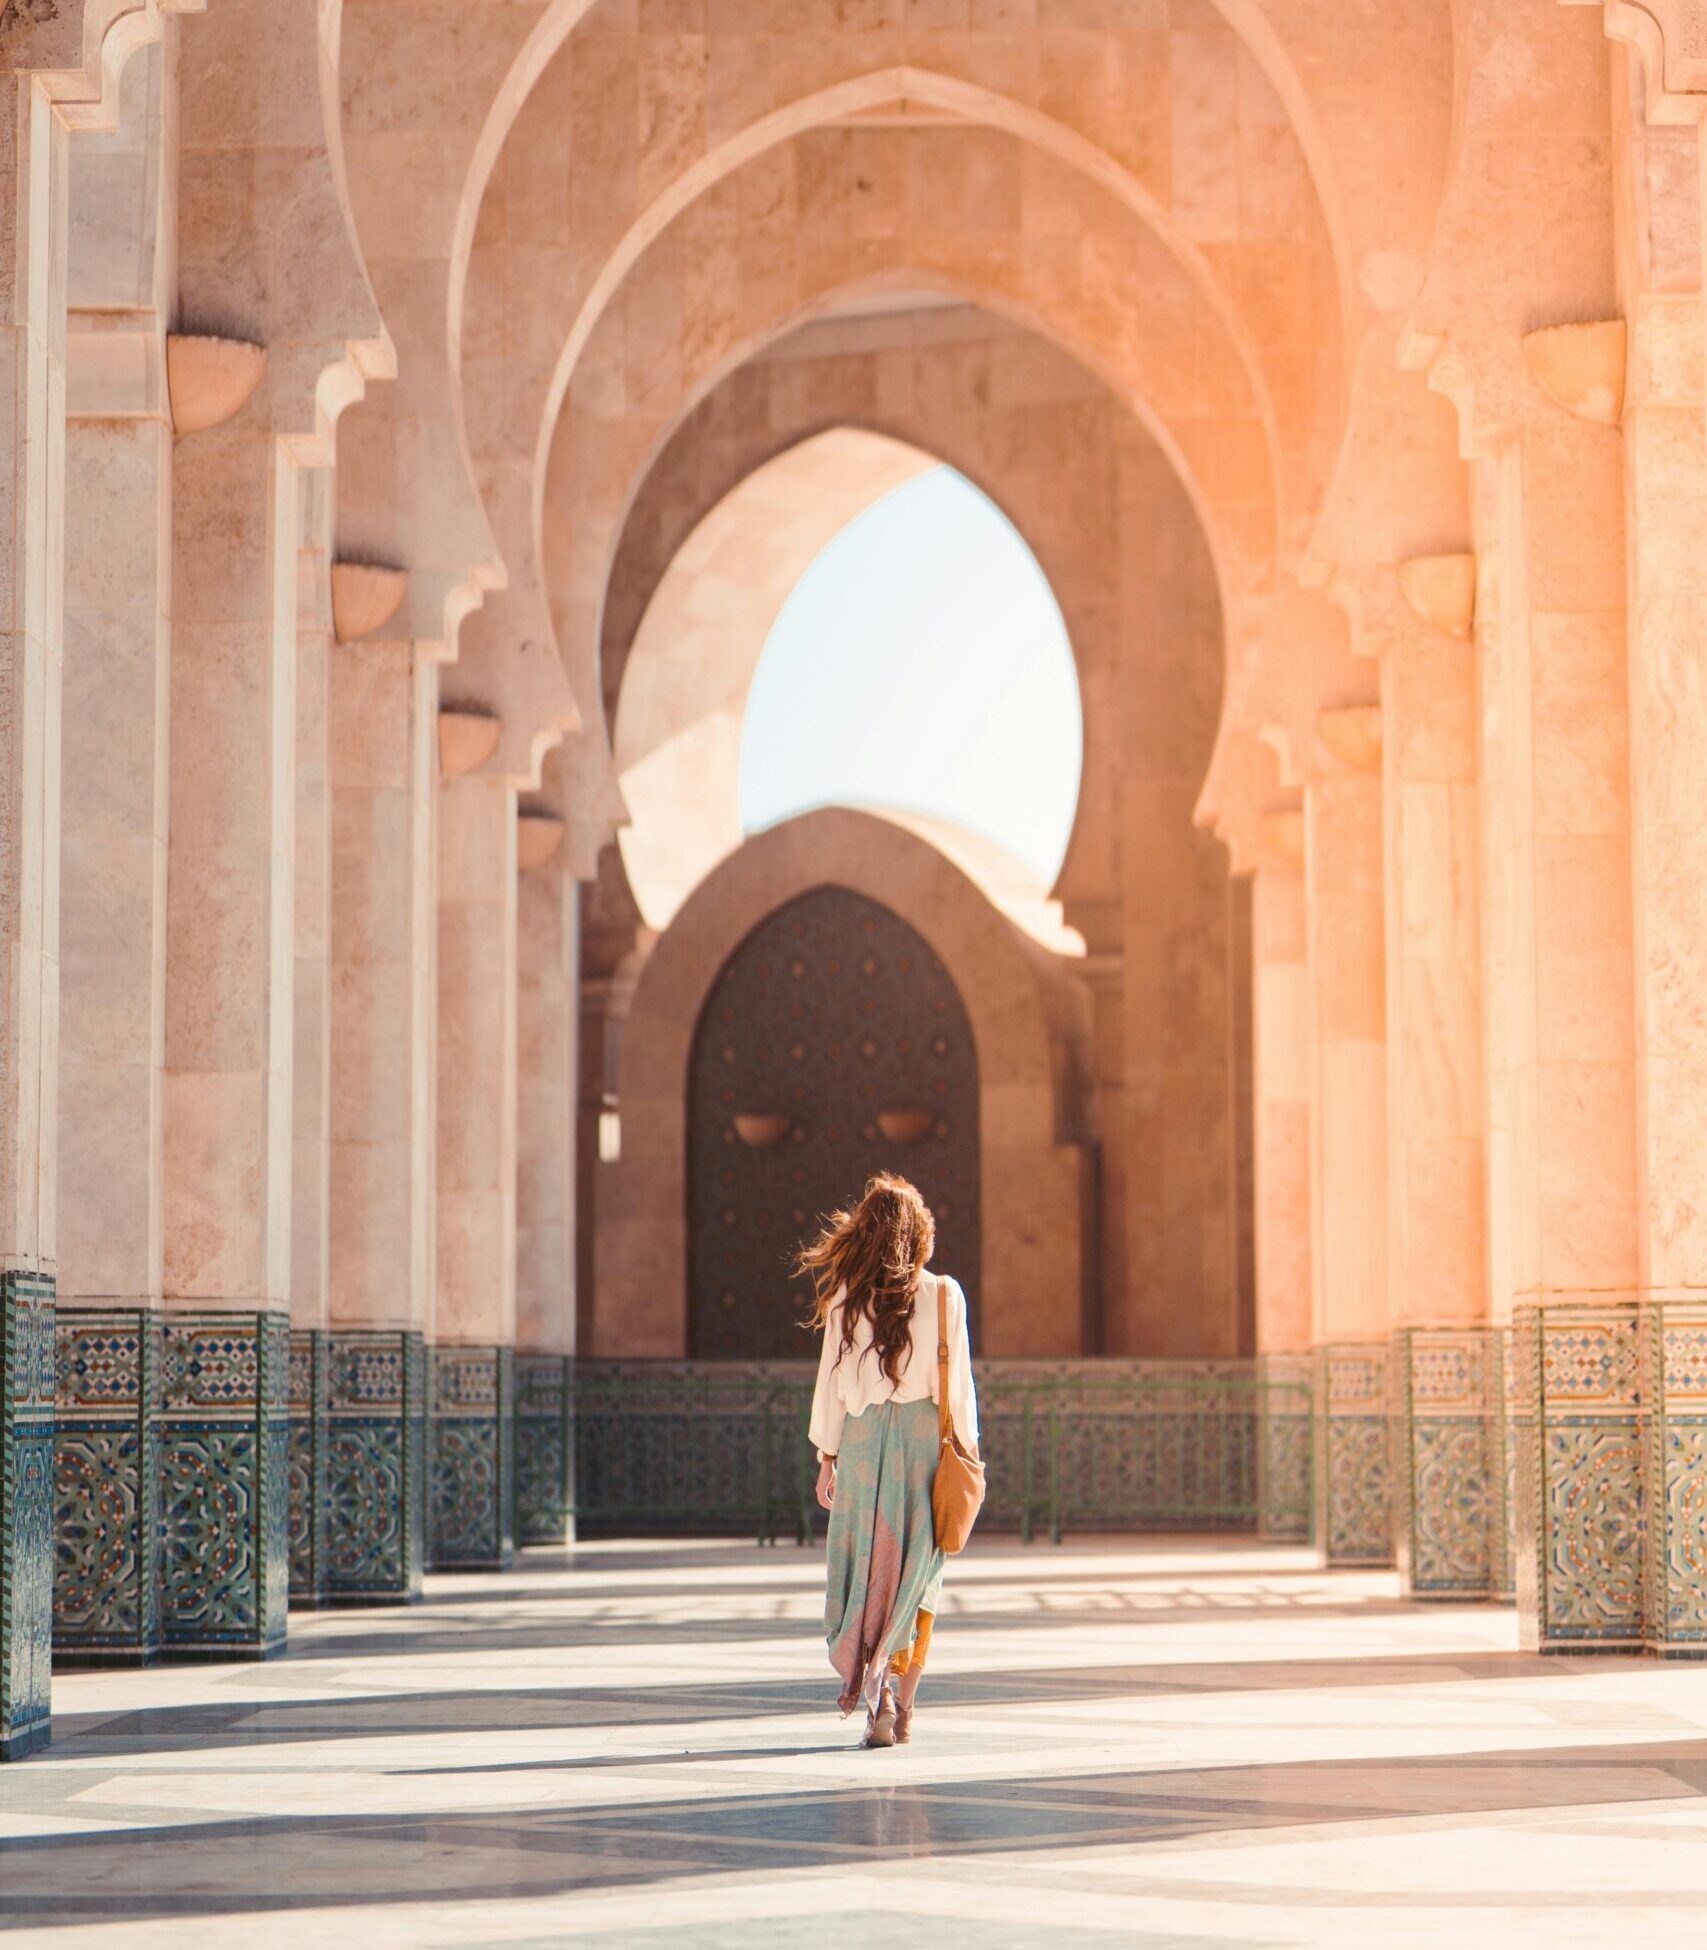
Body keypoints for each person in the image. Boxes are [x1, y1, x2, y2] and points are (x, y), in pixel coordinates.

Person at [801, 1172, 979, 1749]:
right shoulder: (946, 1295)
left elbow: (830, 1387)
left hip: (860, 1451)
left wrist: (826, 1457)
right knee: (916, 1581)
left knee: (868, 1575)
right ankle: (902, 1706)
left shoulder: (845, 1302)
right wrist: (968, 1451)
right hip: (924, 1451)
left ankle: (873, 1695)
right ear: (920, 1234)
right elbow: (961, 1391)